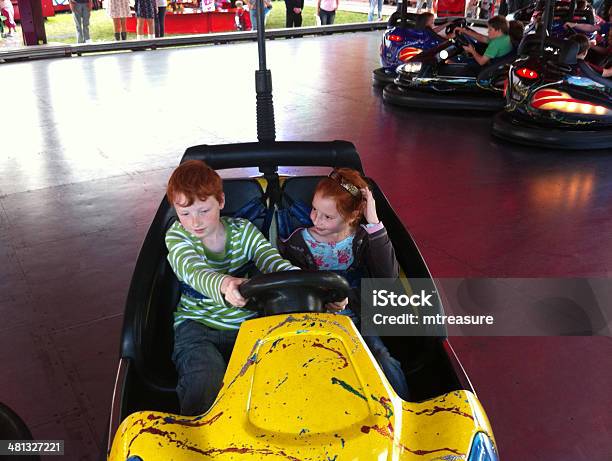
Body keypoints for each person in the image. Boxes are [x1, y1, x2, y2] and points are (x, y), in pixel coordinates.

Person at [166, 160, 311, 415]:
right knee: (206, 379)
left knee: (280, 376)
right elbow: (192, 270)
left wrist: (303, 282)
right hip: (198, 326)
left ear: (221, 201)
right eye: (185, 213)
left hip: (249, 327)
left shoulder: (244, 231)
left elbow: (271, 260)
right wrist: (224, 284)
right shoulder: (178, 236)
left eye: (203, 210)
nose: (195, 222)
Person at [277, 169, 410, 401]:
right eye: (314, 210)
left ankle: (405, 411)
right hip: (313, 320)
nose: (316, 220)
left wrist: (374, 222)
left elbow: (388, 279)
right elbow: (288, 287)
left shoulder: (363, 239)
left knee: (382, 357)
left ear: (351, 216)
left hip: (357, 318)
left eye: (328, 217)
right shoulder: (297, 242)